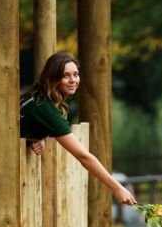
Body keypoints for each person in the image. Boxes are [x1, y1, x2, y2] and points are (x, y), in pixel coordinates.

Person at [20, 51, 136, 206]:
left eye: (76, 74)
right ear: (52, 77)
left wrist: (38, 137)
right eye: (65, 75)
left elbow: (25, 124)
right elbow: (84, 156)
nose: (73, 80)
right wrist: (117, 188)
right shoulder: (46, 108)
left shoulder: (39, 99)